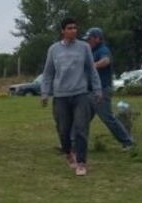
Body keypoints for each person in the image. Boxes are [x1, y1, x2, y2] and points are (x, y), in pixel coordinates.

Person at [40, 18, 101, 176]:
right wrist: (45, 93)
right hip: (61, 96)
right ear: (63, 31)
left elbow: (92, 70)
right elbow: (48, 73)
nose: (73, 30)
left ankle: (81, 162)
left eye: (75, 27)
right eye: (69, 28)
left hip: (80, 94)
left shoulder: (84, 47)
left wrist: (97, 90)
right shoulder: (54, 49)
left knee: (81, 128)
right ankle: (68, 153)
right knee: (63, 130)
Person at [84, 27, 134, 150]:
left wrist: (92, 66)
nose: (87, 41)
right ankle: (70, 145)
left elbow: (106, 61)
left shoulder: (103, 49)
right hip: (88, 91)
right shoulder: (90, 51)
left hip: (101, 91)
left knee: (108, 118)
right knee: (81, 119)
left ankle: (128, 142)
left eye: (90, 39)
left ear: (97, 38)